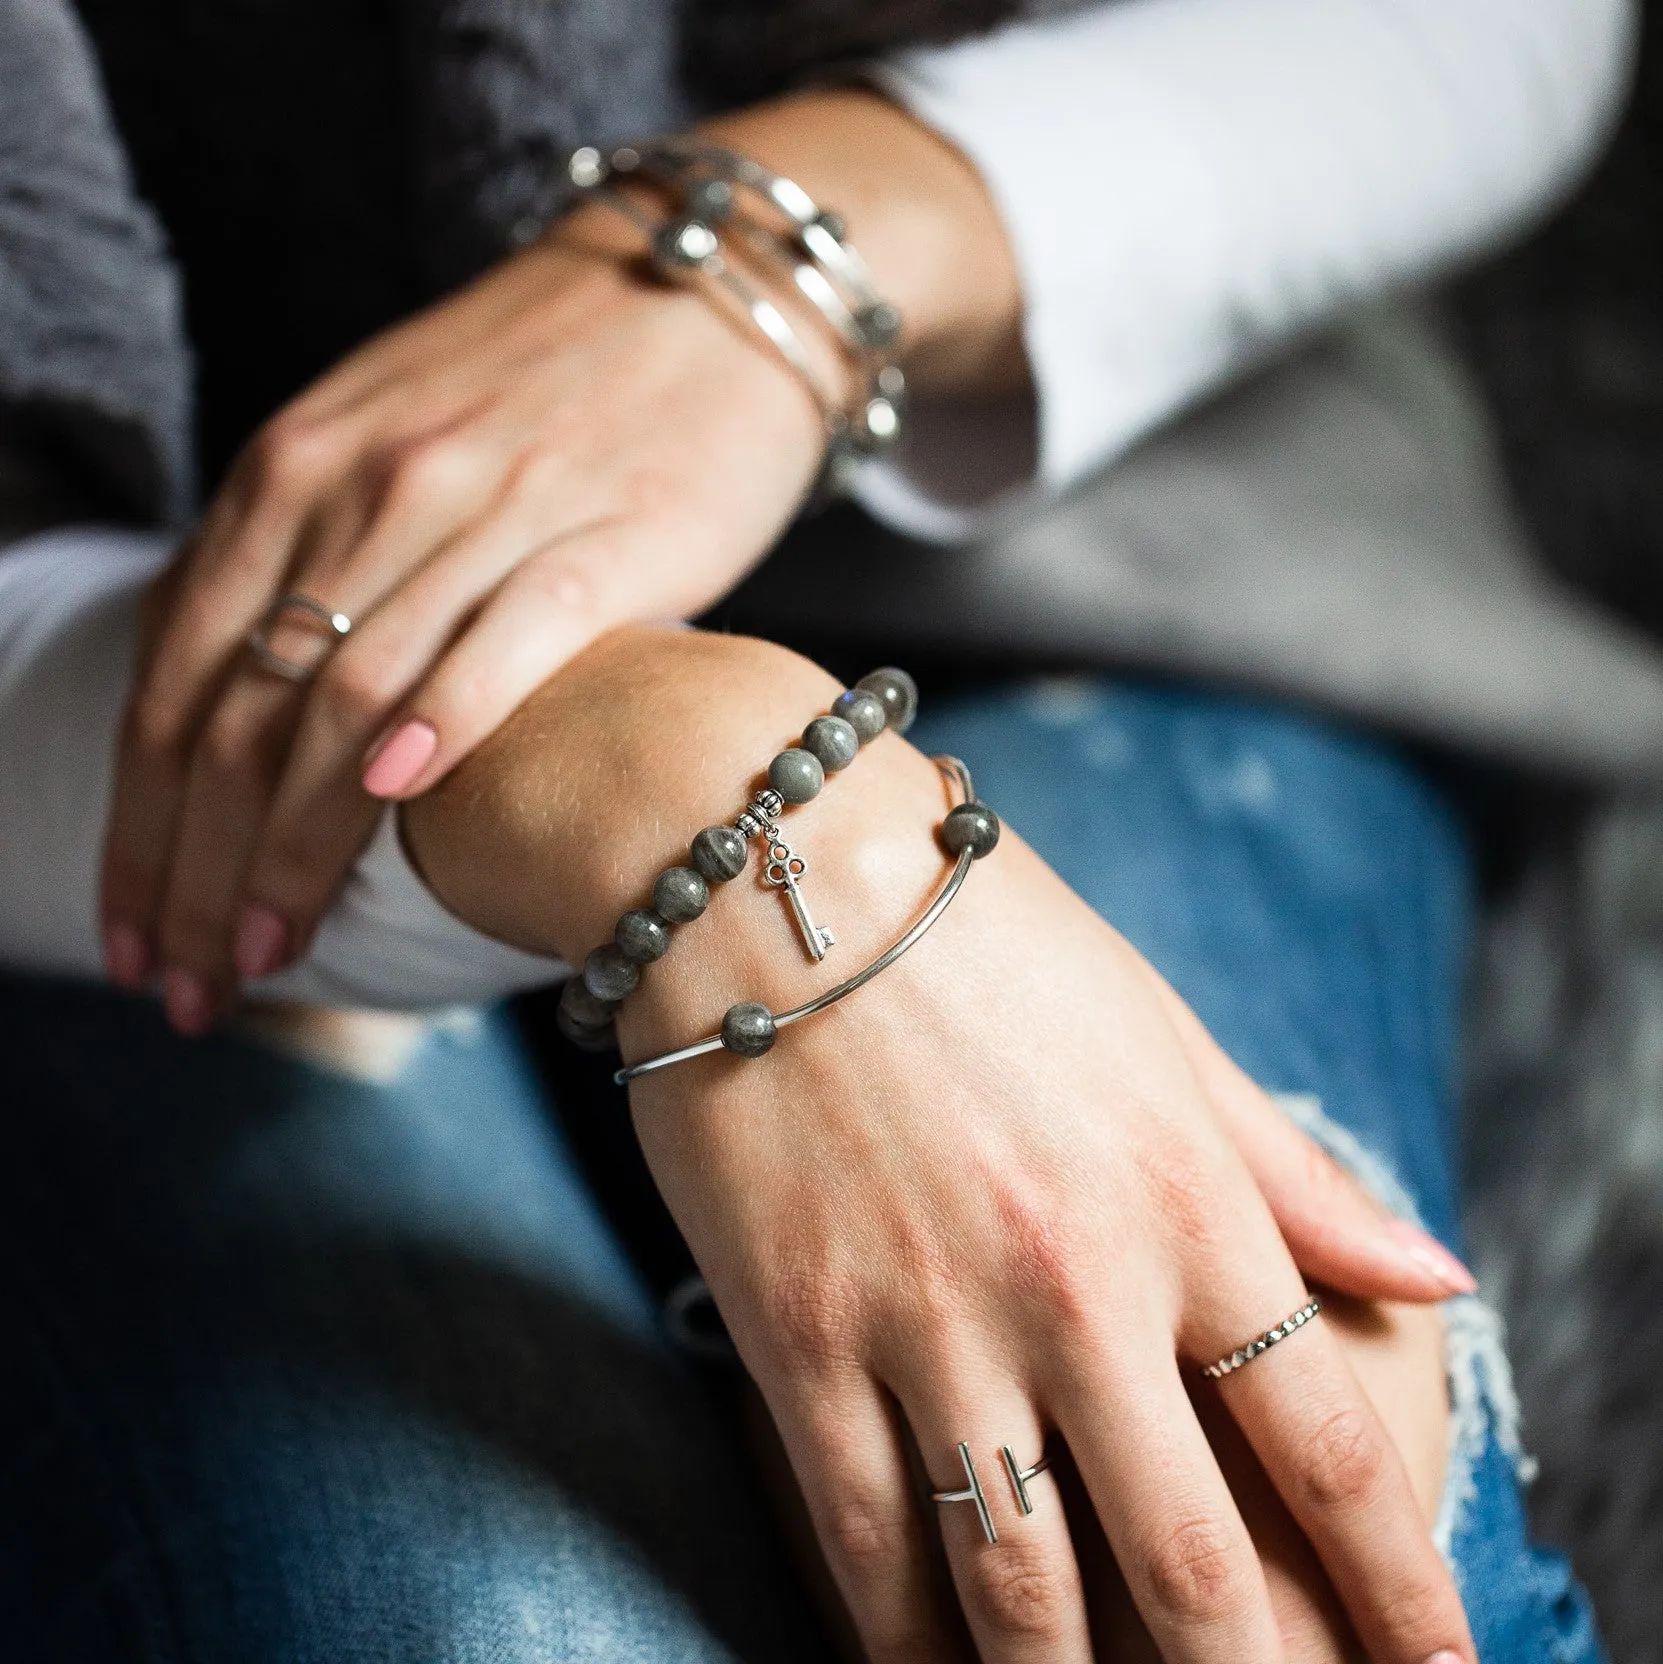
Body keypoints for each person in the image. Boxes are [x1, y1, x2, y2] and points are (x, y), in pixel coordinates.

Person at [0, 0, 1641, 1657]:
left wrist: (775, 263)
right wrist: (684, 777)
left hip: (1134, 552)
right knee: (494, 1630)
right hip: (148, 694)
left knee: (1231, 1572)